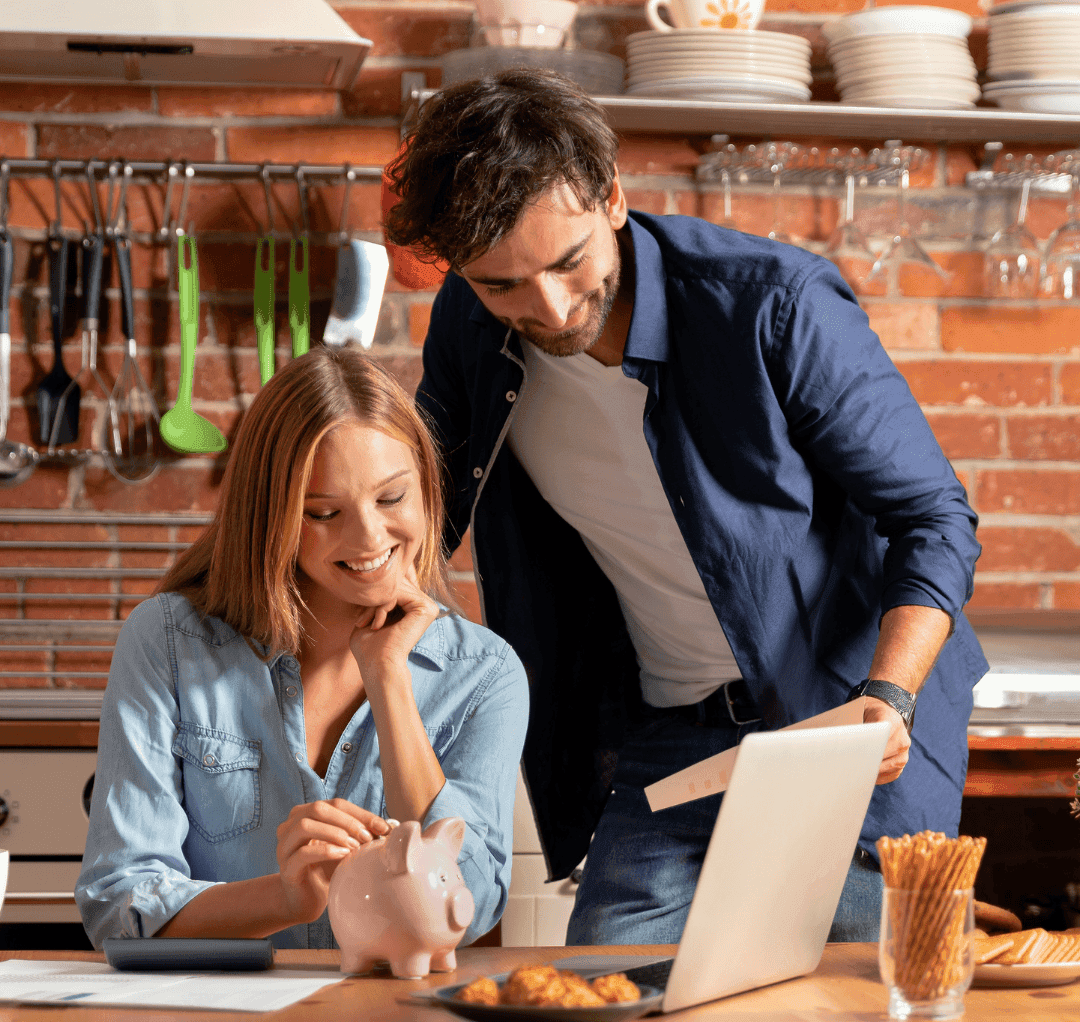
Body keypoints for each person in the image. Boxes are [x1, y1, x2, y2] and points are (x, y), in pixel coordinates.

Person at [384, 69, 989, 945]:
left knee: (862, 1018)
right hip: (669, 733)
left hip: (841, 721)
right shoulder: (470, 322)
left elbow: (934, 518)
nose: (548, 310)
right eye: (502, 284)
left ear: (614, 197)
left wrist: (888, 697)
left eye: (567, 261)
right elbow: (422, 506)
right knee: (606, 1005)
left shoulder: (772, 304)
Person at [76, 347, 528, 949]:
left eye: (391, 499)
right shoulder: (167, 641)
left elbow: (470, 907)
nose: (368, 537)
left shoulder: (484, 674)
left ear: (425, 487)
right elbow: (120, 901)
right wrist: (285, 899)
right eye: (322, 513)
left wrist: (389, 680)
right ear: (271, 519)